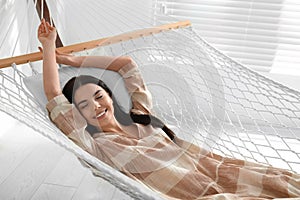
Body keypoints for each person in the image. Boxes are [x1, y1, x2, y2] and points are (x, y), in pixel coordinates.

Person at [38, 19, 300, 200]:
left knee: (284, 183)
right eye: (84, 105)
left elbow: (127, 66)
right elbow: (53, 94)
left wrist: (73, 60)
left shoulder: (140, 115)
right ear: (79, 115)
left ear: (109, 96)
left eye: (98, 96)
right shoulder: (97, 146)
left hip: (218, 169)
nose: (95, 106)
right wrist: (48, 46)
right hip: (194, 195)